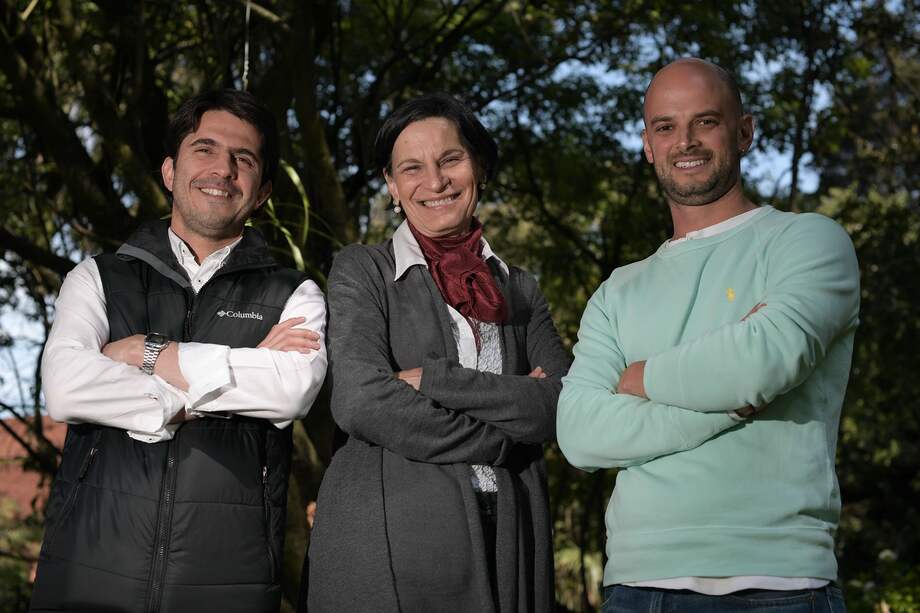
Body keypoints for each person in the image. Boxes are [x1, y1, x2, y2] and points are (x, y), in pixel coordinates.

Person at [557, 58, 858, 612]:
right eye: (665, 127)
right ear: (647, 144)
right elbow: (579, 433)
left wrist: (643, 377)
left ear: (744, 131)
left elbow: (764, 361)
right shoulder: (617, 291)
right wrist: (734, 400)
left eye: (706, 121)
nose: (685, 141)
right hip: (638, 590)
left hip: (779, 585)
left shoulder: (808, 242)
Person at [30, 89, 327, 612]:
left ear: (262, 192)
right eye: (205, 149)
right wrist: (190, 398)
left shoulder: (294, 293)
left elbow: (290, 390)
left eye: (244, 159)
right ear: (170, 171)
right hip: (86, 578)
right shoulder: (98, 277)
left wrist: (148, 353)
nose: (223, 169)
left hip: (229, 586)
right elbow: (65, 385)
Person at [304, 93, 570, 612]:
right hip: (392, 536)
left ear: (480, 167)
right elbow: (361, 401)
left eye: (450, 159)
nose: (435, 181)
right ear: (392, 185)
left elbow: (564, 404)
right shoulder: (363, 271)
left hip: (512, 537)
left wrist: (435, 379)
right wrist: (507, 433)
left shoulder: (522, 289)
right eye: (412, 168)